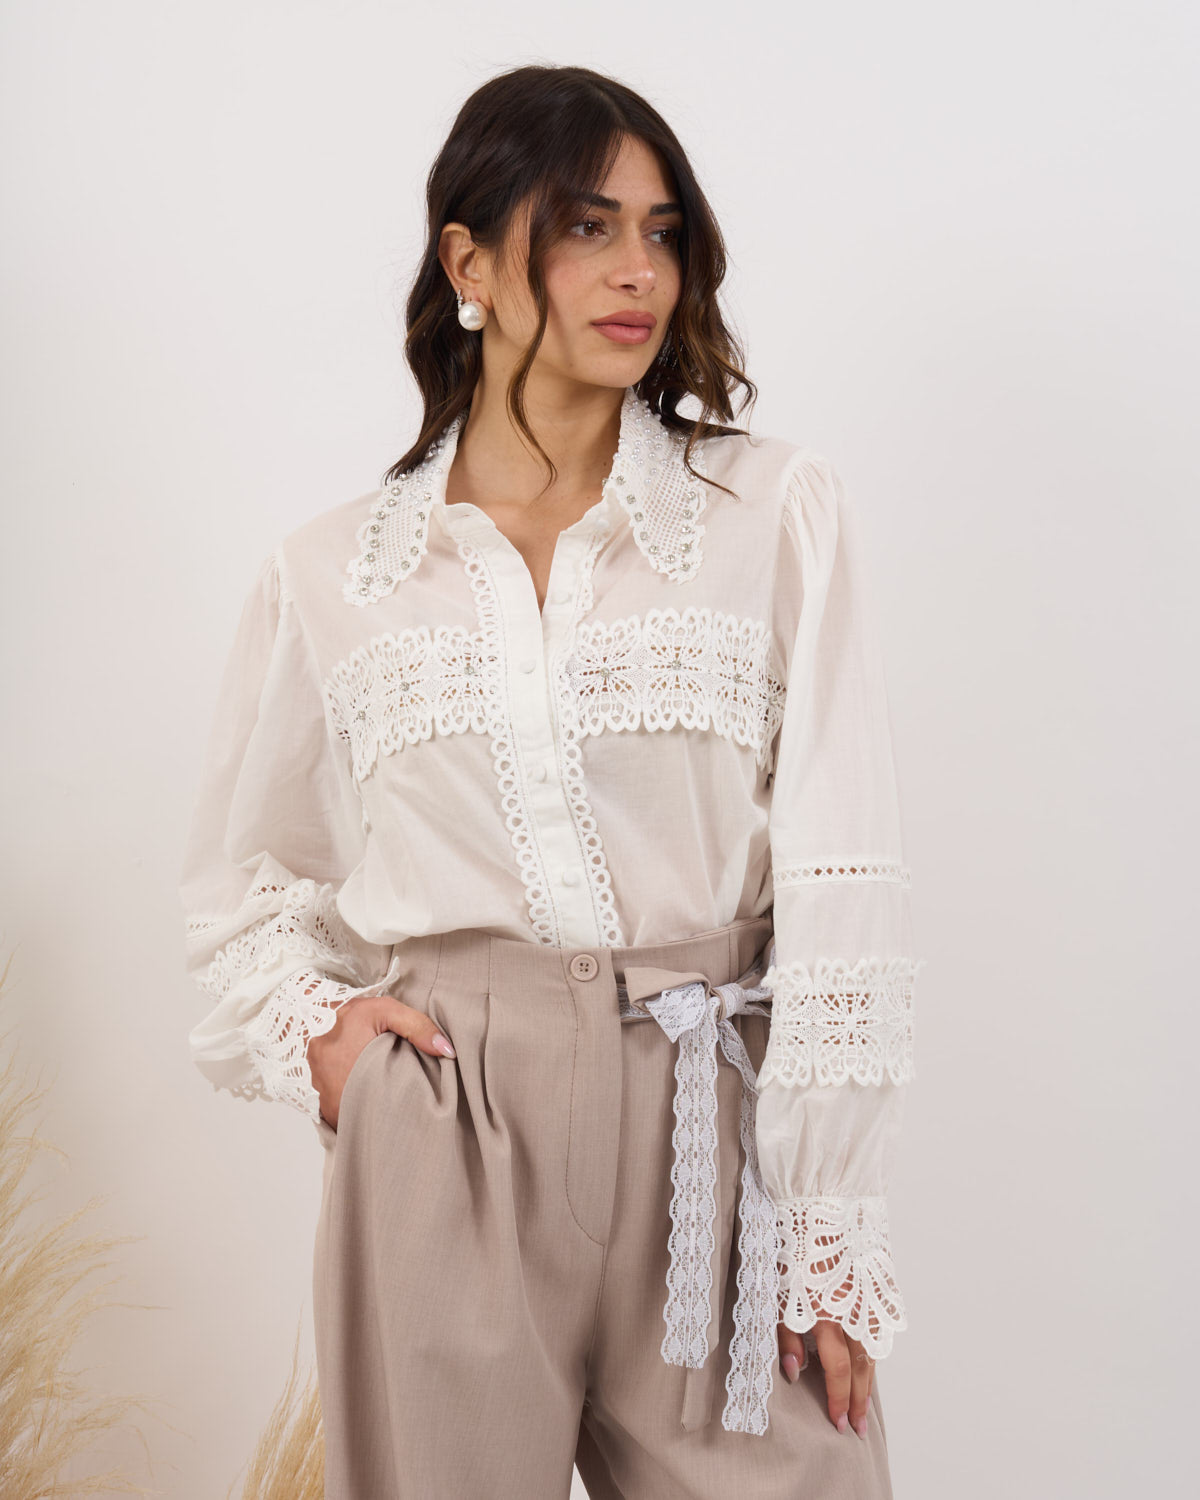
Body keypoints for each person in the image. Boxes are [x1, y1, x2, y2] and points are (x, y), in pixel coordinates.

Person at [178, 62, 923, 1500]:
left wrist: (829, 1220)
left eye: (662, 231)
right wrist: (327, 1039)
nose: (638, 270)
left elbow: (845, 868)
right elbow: (243, 882)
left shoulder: (770, 515)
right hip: (446, 1126)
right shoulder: (334, 577)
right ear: (470, 263)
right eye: (587, 227)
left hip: (713, 1118)